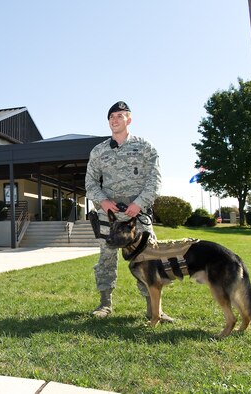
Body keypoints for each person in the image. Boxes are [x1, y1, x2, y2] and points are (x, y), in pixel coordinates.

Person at [85, 100, 173, 322]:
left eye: (120, 116)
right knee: (106, 257)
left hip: (137, 212)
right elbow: (90, 183)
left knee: (149, 258)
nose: (115, 120)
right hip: (109, 214)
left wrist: (139, 203)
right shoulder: (99, 151)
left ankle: (154, 309)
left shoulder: (145, 147)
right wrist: (104, 202)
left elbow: (155, 179)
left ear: (129, 119)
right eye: (111, 117)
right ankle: (105, 304)